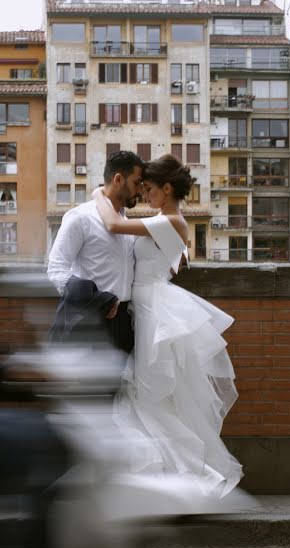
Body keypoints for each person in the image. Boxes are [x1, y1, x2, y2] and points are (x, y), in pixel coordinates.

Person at [92, 154, 243, 508]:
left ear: (167, 189)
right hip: (147, 307)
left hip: (153, 311)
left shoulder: (171, 219)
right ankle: (165, 474)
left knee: (150, 394)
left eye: (148, 189)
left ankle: (185, 474)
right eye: (141, 187)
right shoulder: (168, 221)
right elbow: (174, 260)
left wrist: (101, 193)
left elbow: (114, 225)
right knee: (150, 395)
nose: (144, 194)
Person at [47, 151, 145, 355]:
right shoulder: (80, 217)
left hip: (126, 322)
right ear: (118, 179)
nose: (141, 191)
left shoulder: (126, 225)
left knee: (122, 386)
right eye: (137, 183)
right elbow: (56, 268)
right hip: (92, 321)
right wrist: (95, 301)